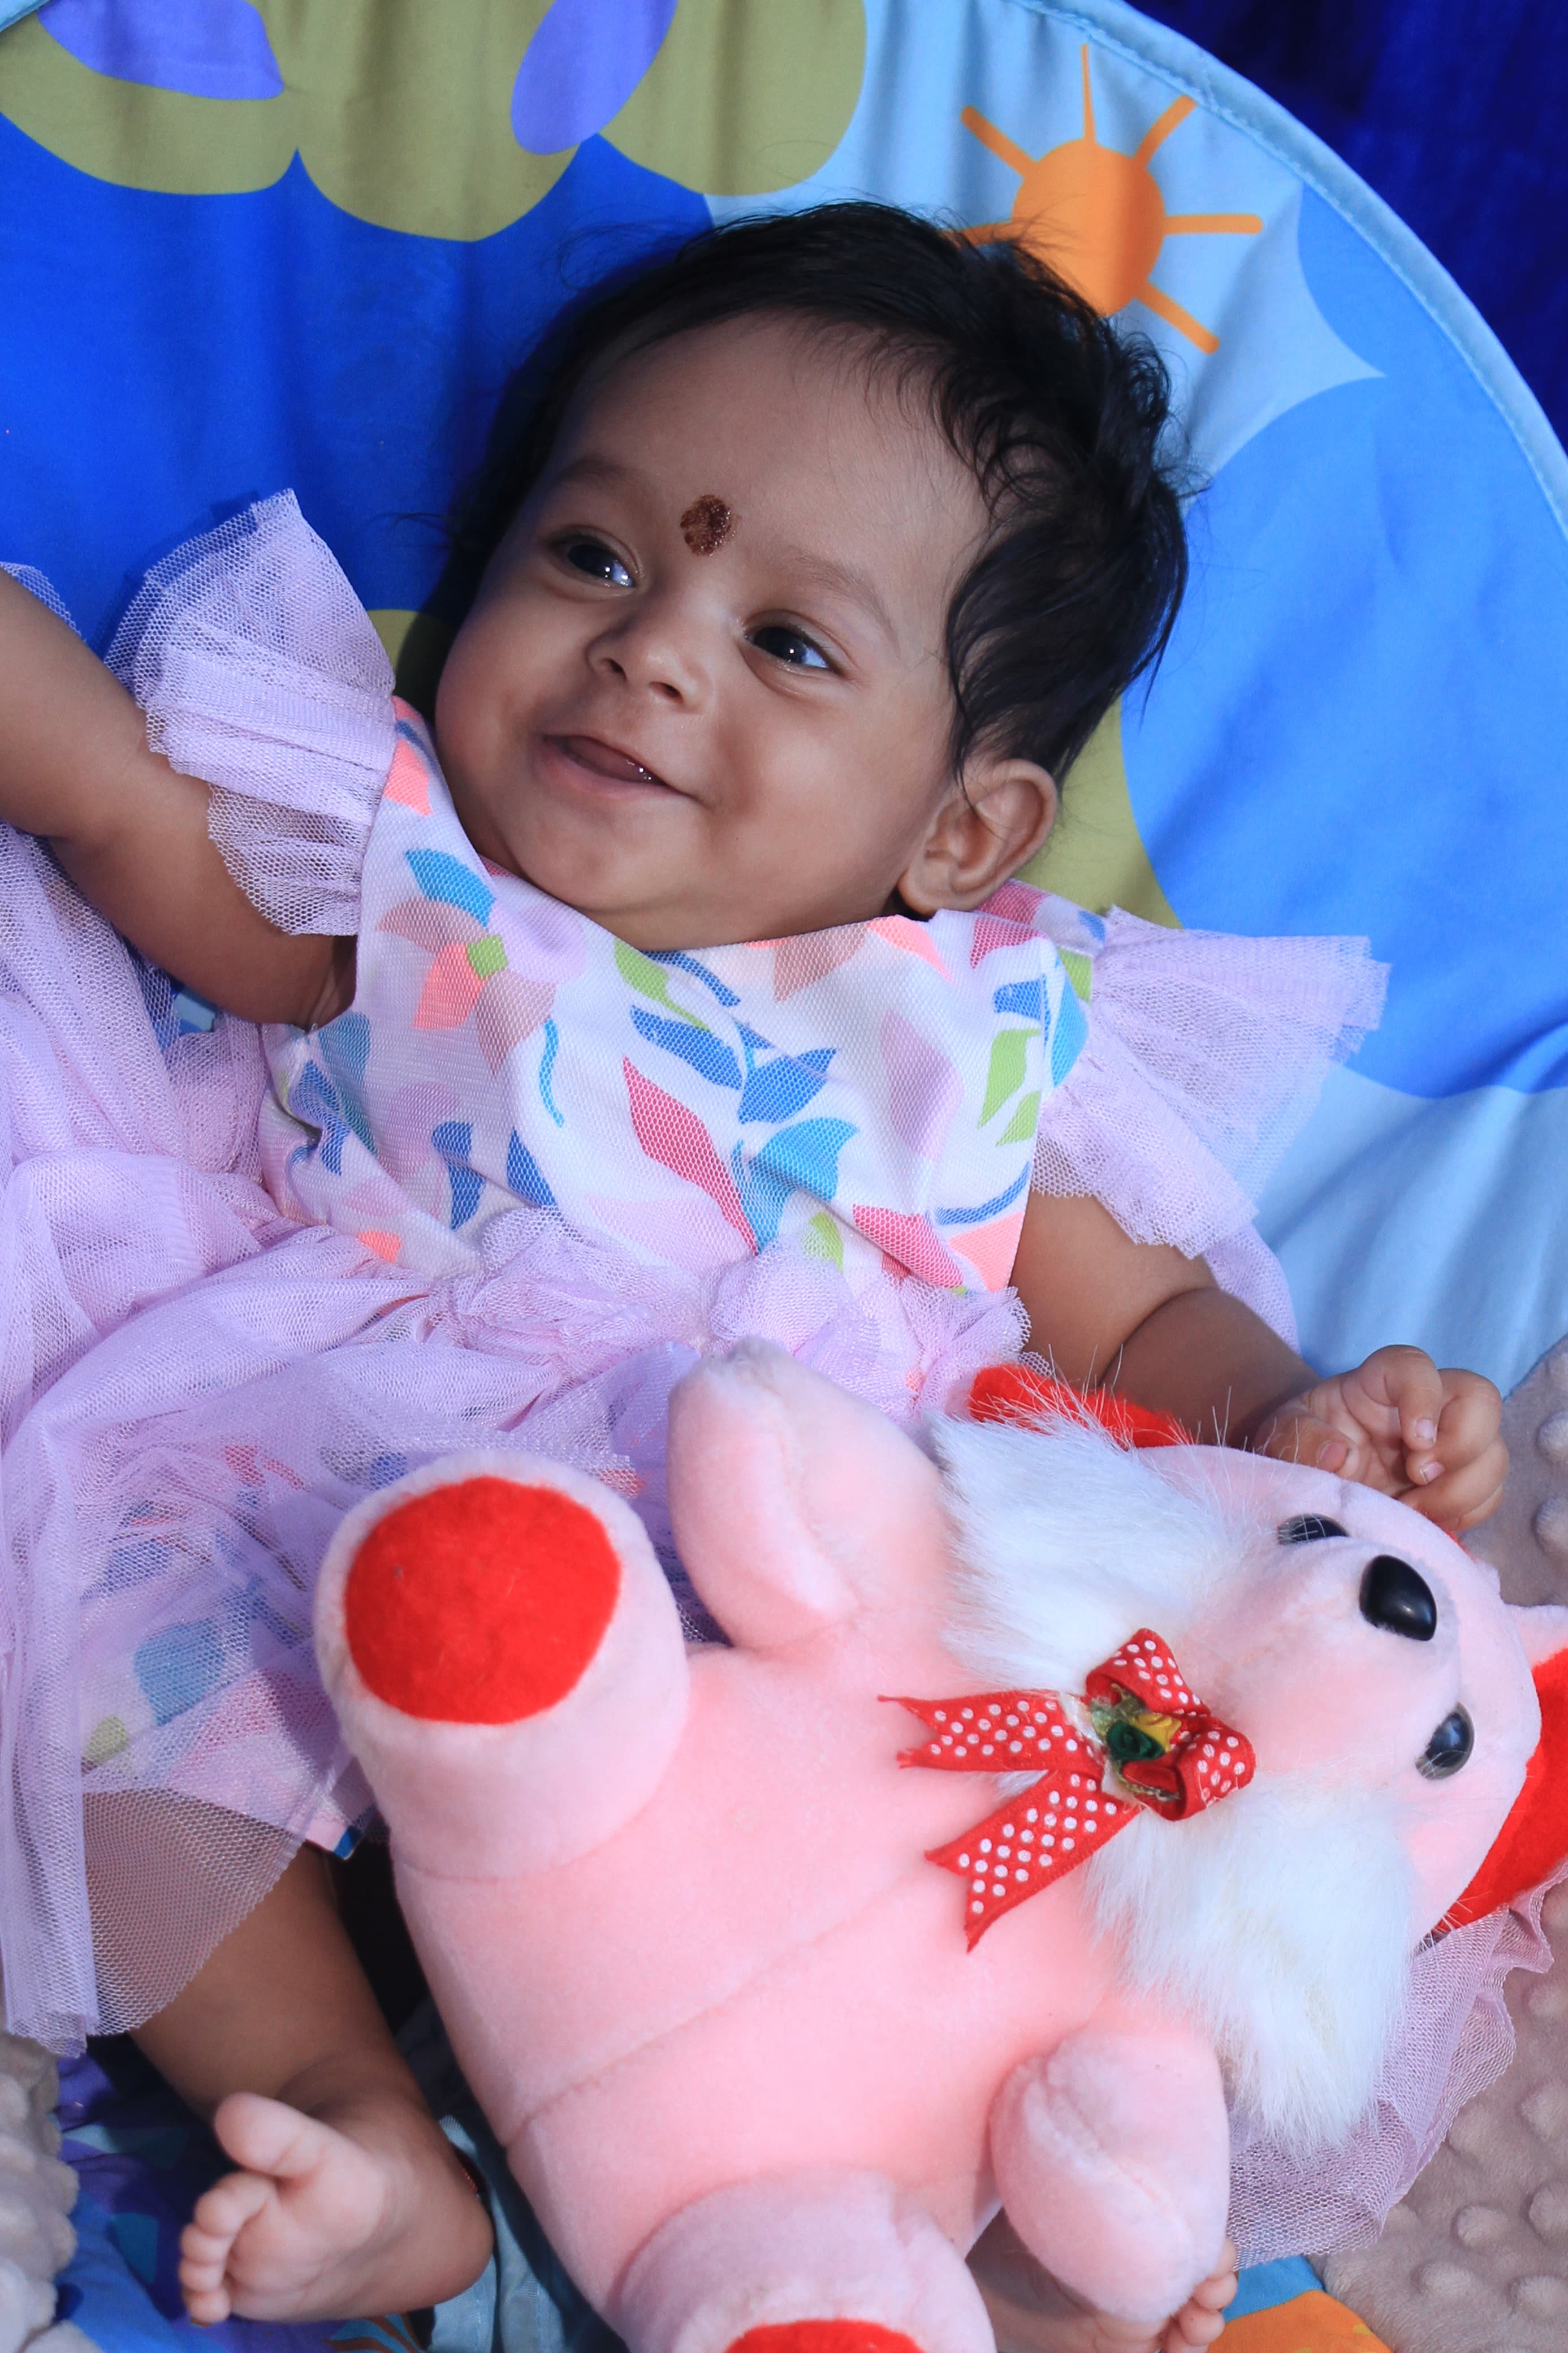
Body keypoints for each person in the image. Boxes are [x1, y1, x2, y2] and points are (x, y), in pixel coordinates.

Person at [0, 205, 1502, 2349]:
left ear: (966, 835)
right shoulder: (403, 876)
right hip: (358, 1521)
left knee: (1060, 1829)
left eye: (792, 641)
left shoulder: (973, 1045)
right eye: (595, 557)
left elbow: (1149, 1329)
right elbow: (131, 821)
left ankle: (1020, 2259)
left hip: (825, 1640)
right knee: (89, 1658)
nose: (654, 651)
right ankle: (353, 2118)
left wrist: (1291, 1417)